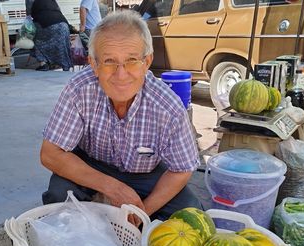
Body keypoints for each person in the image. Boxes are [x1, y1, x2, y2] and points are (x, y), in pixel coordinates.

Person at [39, 10, 202, 221]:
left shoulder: (167, 106)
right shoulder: (79, 89)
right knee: (59, 195)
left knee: (190, 212)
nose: (121, 74)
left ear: (147, 62)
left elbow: (181, 169)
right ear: (94, 64)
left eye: (132, 60)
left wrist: (142, 211)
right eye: (109, 61)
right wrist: (112, 187)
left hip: (146, 174)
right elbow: (50, 154)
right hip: (92, 163)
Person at [29, 0, 72, 71]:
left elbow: (31, 15)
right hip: (63, 24)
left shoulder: (34, 2)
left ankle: (43, 63)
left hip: (46, 23)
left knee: (35, 40)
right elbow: (59, 10)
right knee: (62, 46)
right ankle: (65, 66)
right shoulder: (52, 1)